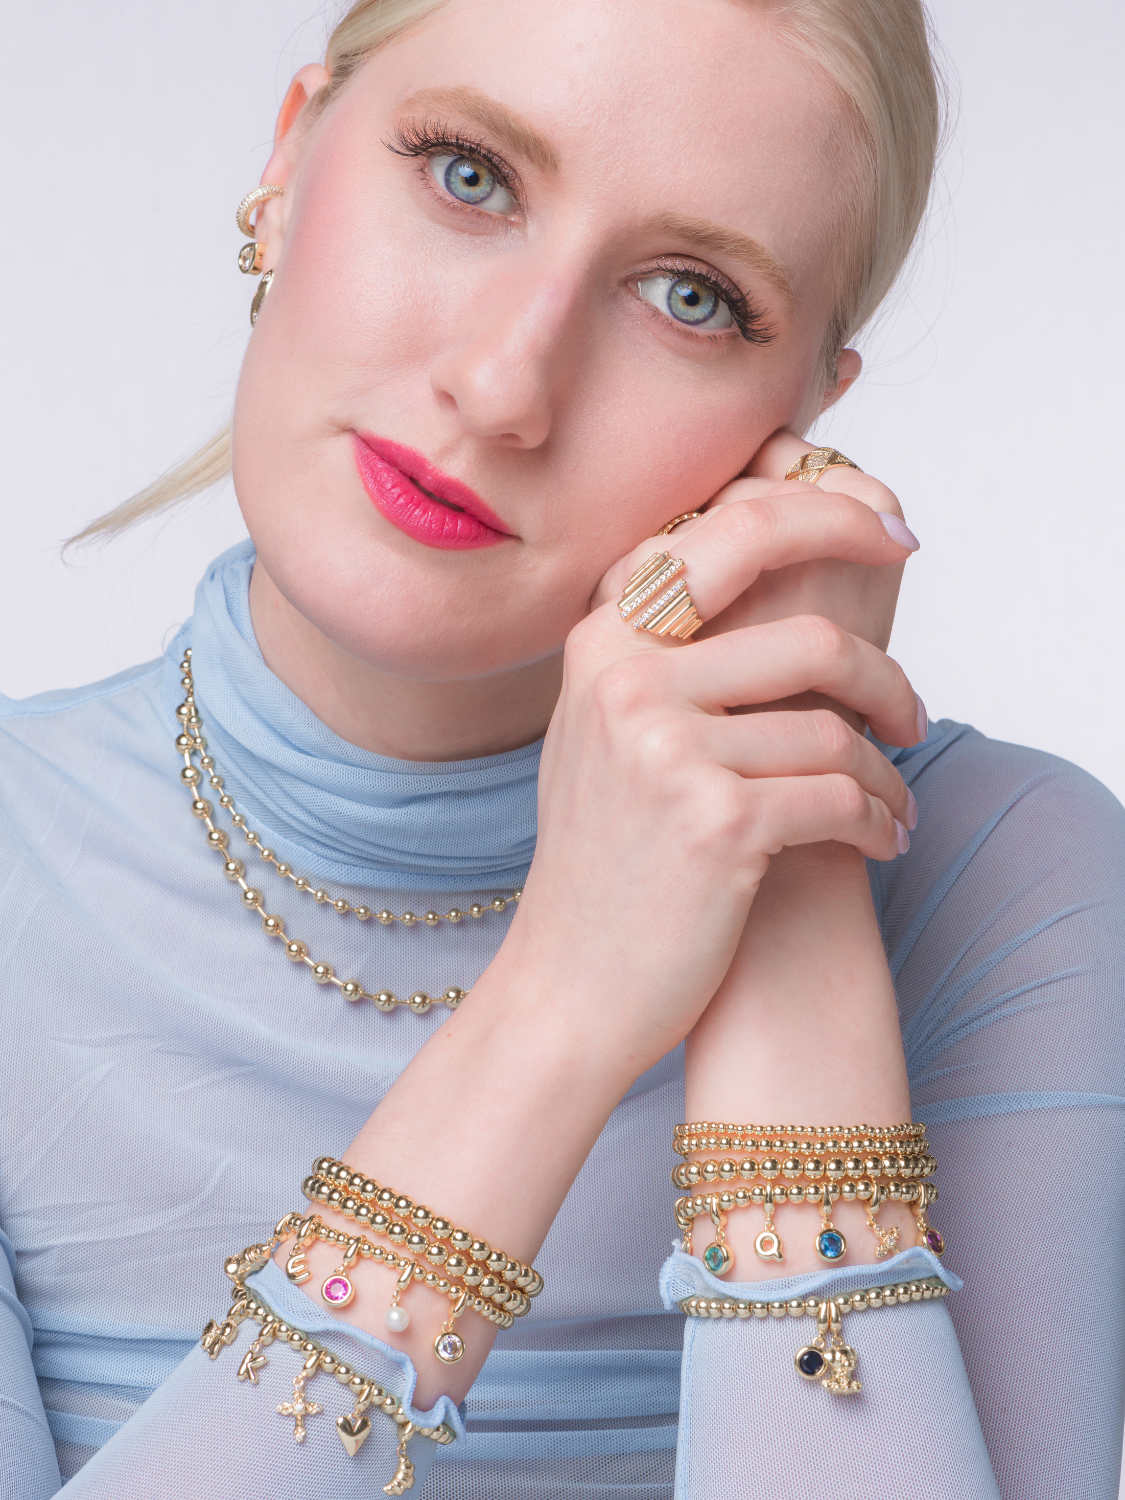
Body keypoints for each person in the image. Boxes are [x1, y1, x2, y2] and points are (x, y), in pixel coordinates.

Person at [2, 0, 1122, 1496]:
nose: (507, 387)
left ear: (796, 428)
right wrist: (561, 1003)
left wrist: (786, 878)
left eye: (689, 295)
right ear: (287, 160)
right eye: (469, 176)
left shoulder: (1012, 882)